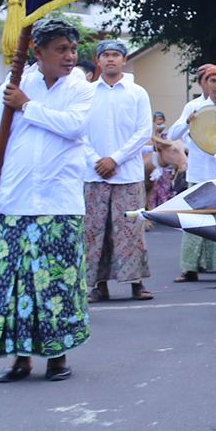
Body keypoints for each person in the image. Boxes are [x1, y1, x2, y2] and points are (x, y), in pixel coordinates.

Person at [0, 18, 95, 382]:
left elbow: (74, 127)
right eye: (61, 50)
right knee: (16, 285)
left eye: (72, 49)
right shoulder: (13, 85)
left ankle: (57, 357)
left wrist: (27, 107)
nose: (70, 57)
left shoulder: (80, 89)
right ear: (37, 52)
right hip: (14, 200)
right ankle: (19, 359)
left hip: (59, 203)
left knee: (56, 285)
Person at [82, 39, 154, 303]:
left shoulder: (137, 93)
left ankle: (136, 283)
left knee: (130, 230)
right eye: (106, 55)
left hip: (127, 174)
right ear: (98, 60)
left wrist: (115, 159)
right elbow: (79, 132)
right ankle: (97, 285)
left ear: (124, 60)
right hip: (94, 174)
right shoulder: (87, 92)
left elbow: (143, 132)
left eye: (116, 55)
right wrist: (96, 160)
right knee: (94, 231)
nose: (110, 59)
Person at [168, 63, 216, 281]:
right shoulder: (193, 106)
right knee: (194, 221)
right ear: (203, 83)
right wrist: (188, 120)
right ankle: (190, 268)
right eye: (212, 81)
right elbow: (172, 134)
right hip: (197, 172)